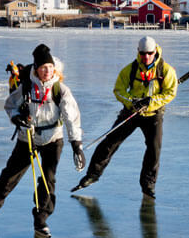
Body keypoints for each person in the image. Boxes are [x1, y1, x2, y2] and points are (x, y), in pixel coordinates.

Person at [0, 44, 85, 238]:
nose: (47, 71)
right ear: (36, 68)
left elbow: (71, 117)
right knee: (9, 176)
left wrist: (77, 145)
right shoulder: (26, 86)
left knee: (47, 180)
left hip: (53, 139)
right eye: (43, 67)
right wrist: (17, 117)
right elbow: (10, 105)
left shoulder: (60, 90)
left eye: (50, 67)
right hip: (27, 138)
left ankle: (41, 219)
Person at [72, 36, 177, 199]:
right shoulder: (131, 69)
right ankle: (92, 175)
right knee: (110, 142)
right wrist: (132, 102)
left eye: (149, 53)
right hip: (131, 112)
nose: (146, 57)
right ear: (138, 52)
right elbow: (119, 90)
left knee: (154, 149)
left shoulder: (166, 70)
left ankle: (148, 184)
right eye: (143, 53)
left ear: (155, 51)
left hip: (153, 114)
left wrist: (151, 101)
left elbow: (170, 92)